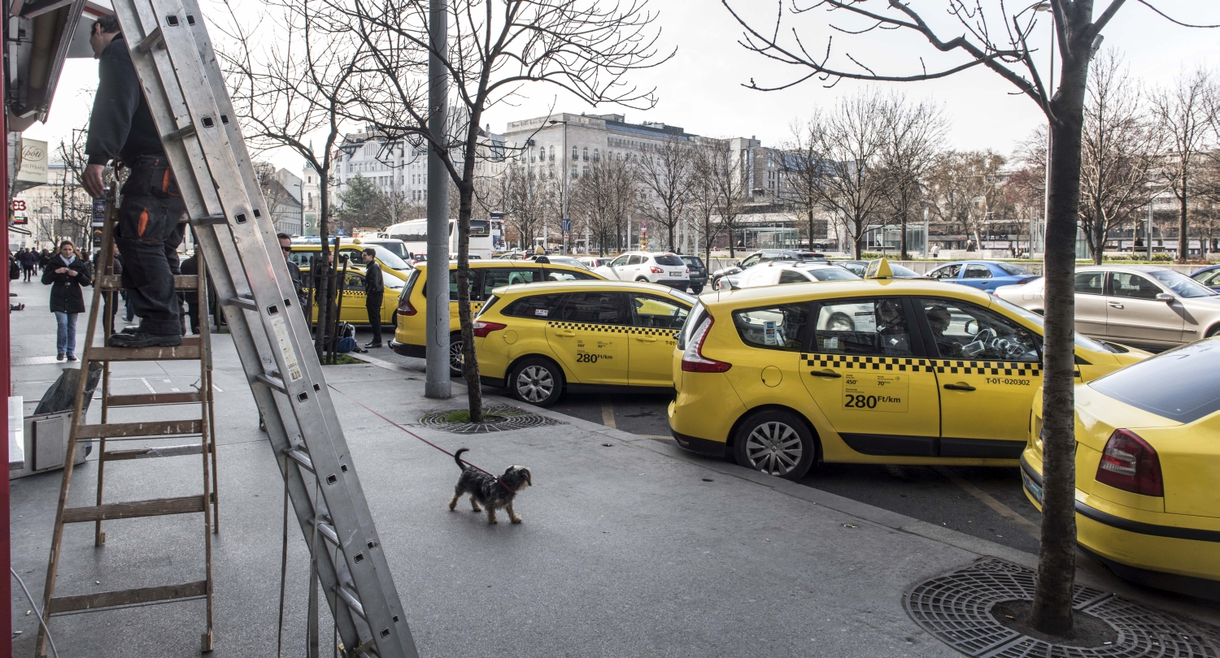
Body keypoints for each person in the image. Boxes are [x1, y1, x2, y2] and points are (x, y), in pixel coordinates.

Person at [82, 14, 185, 349]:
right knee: (159, 243)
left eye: (92, 45)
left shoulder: (118, 52)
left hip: (156, 166)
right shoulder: (149, 57)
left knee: (138, 239)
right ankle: (168, 320)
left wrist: (98, 156)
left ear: (99, 29)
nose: (95, 53)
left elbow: (114, 104)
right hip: (176, 166)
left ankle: (161, 322)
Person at [42, 241, 92, 361]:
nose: (67, 252)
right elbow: (45, 280)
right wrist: (55, 272)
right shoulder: (54, 263)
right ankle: (61, 351)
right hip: (58, 295)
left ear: (73, 250)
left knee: (72, 325)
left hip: (74, 296)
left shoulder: (79, 263)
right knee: (62, 323)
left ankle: (71, 351)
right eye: (65, 249)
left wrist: (77, 274)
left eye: (70, 249)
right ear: (61, 250)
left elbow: (87, 282)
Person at [278, 233, 309, 311]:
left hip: (291, 311)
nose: (284, 251)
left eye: (287, 249)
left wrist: (301, 308)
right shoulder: (264, 266)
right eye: (280, 248)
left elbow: (300, 292)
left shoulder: (293, 267)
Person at [361, 247, 384, 348]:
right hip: (375, 295)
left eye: (365, 255)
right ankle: (376, 339)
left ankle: (377, 340)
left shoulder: (373, 267)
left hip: (374, 296)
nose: (363, 257)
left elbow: (373, 283)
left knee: (374, 318)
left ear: (371, 256)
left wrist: (369, 294)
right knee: (374, 318)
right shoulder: (373, 266)